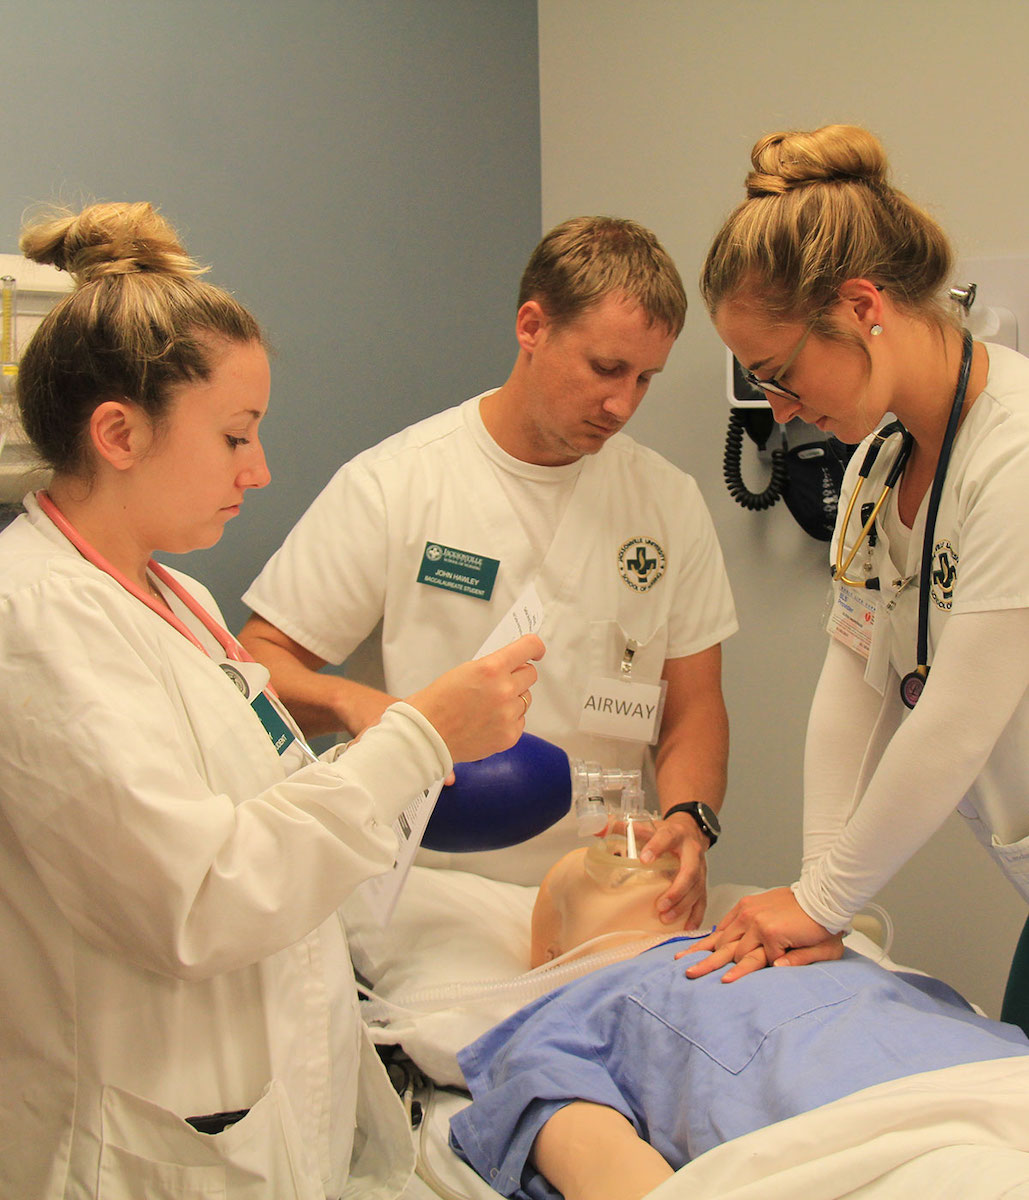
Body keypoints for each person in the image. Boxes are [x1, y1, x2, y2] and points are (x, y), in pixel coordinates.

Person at [0, 201, 544, 1200]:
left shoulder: (178, 598)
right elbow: (203, 900)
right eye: (236, 437)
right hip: (141, 1149)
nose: (260, 470)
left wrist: (392, 745)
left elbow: (270, 820)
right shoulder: (36, 622)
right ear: (118, 432)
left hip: (257, 1112)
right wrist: (419, 738)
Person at [239, 216, 737, 924]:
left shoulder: (666, 502)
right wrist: (360, 707)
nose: (621, 404)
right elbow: (258, 663)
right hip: (433, 889)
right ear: (532, 327)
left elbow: (693, 709)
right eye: (604, 368)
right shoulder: (398, 483)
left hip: (608, 884)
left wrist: (689, 815)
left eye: (644, 379)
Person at [683, 123, 1029, 984]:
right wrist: (815, 892)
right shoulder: (878, 468)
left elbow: (953, 724)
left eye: (778, 373)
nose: (781, 410)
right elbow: (856, 686)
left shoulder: (1016, 456)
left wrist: (823, 902)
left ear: (863, 308)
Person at [449, 843, 1029, 1200]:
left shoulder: (802, 936)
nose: (629, 842)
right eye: (595, 863)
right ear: (550, 951)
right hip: (875, 1151)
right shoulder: (562, 1018)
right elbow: (605, 1170)